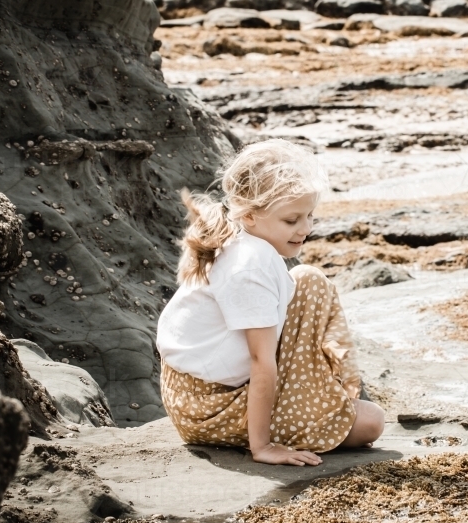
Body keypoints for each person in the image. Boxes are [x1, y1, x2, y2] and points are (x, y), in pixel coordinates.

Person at [156, 139, 385, 466]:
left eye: (309, 216)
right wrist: (262, 447)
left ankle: (329, 393)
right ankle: (316, 404)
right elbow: (261, 361)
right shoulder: (250, 266)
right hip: (209, 407)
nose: (305, 229)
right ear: (249, 216)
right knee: (371, 422)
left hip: (202, 389)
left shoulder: (247, 242)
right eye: (292, 220)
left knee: (310, 280)